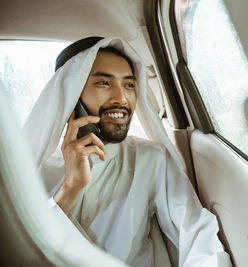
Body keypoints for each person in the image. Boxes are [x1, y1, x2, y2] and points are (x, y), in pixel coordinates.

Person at [23, 37, 232, 267]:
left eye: (129, 85)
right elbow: (21, 253)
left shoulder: (150, 159)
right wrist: (70, 187)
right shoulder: (33, 168)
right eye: (104, 83)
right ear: (71, 94)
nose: (121, 98)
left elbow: (198, 234)